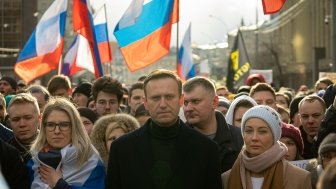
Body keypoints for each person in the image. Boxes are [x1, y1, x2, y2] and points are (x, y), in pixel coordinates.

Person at [106, 69, 222, 189]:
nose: (163, 104)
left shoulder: (206, 149)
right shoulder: (121, 149)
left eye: (169, 97)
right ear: (145, 103)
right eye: (156, 98)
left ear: (181, 100)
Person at [221, 105, 312, 189]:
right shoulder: (226, 179)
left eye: (262, 131)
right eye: (249, 131)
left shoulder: (300, 178)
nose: (254, 138)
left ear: (274, 136)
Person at [28, 97, 106, 188]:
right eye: (51, 125)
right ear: (43, 128)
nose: (57, 131)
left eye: (64, 125)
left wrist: (60, 184)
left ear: (74, 127)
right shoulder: (34, 161)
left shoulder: (91, 161)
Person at [183, 76, 243, 172]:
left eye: (195, 101)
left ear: (214, 102)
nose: (188, 108)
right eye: (185, 102)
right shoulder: (177, 141)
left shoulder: (240, 138)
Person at [7, 93, 40, 163]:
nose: (22, 124)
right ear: (10, 123)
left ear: (39, 119)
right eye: (16, 119)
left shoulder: (55, 146)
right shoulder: (4, 153)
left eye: (28, 118)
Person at [298, 95, 326, 159]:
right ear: (300, 118)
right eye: (305, 116)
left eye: (316, 115)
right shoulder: (294, 144)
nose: (310, 121)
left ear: (325, 115)